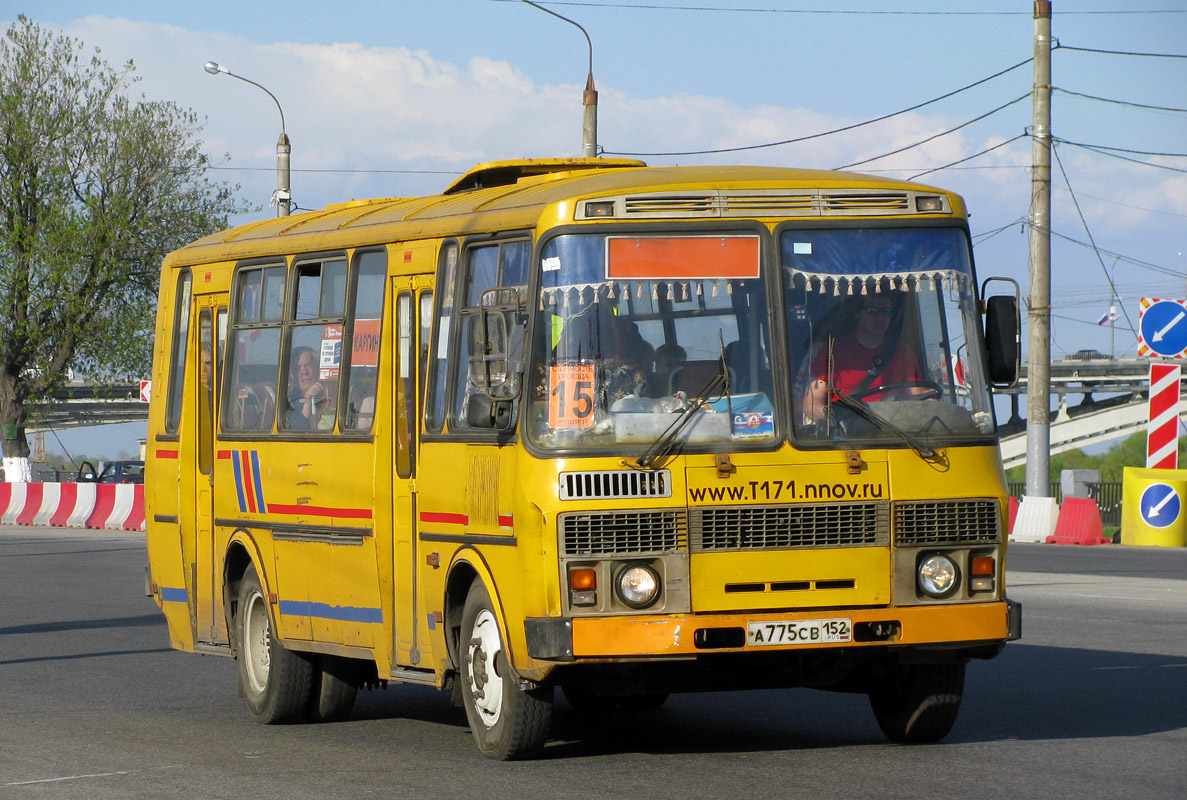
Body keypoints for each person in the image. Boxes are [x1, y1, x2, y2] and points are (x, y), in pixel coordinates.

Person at [801, 294, 923, 422]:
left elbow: (915, 393)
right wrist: (835, 424)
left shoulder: (903, 351)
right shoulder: (832, 351)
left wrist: (931, 400)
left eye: (886, 311)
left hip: (895, 429)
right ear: (857, 313)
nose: (880, 317)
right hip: (849, 434)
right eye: (872, 311)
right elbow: (812, 403)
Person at [287, 345, 331, 429]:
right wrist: (308, 402)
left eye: (308, 365)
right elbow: (294, 431)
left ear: (318, 369)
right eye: (298, 367)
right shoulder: (288, 402)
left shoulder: (330, 395)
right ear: (293, 375)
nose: (304, 371)